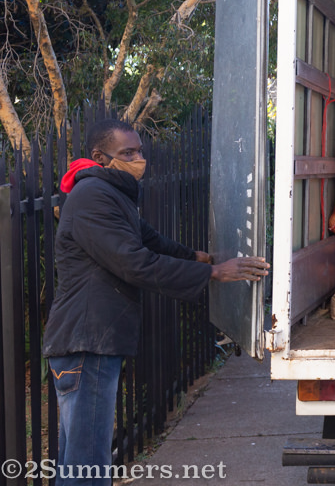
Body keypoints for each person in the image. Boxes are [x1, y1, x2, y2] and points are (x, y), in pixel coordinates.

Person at [42, 118, 270, 486]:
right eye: (127, 153)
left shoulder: (111, 193)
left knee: (77, 463)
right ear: (99, 157)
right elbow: (134, 262)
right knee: (87, 465)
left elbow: (151, 241)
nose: (138, 159)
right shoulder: (92, 197)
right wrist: (212, 274)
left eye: (139, 151)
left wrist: (200, 257)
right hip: (86, 343)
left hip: (91, 342)